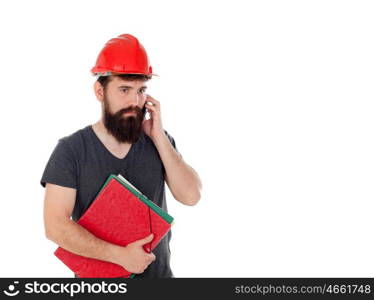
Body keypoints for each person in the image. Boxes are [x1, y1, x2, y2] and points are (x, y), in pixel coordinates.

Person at [40, 34, 202, 278]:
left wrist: (158, 137)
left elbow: (191, 196)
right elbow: (54, 226)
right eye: (124, 89)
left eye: (141, 90)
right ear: (99, 91)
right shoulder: (71, 150)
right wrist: (119, 255)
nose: (134, 101)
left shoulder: (158, 140)